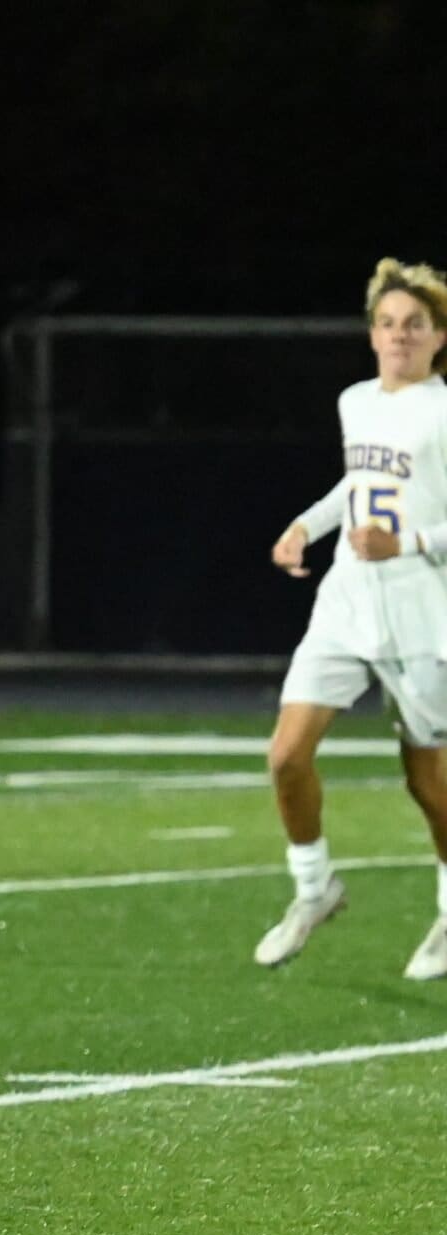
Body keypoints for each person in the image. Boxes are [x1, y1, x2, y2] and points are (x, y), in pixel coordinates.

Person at [261, 258, 447, 979]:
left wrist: (410, 542)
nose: (400, 336)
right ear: (372, 335)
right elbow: (359, 483)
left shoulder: (442, 411)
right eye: (389, 324)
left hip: (422, 613)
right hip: (347, 602)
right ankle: (314, 888)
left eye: (416, 326)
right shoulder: (356, 401)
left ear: (438, 339)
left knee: (429, 785)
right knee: (286, 754)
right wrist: (306, 526)